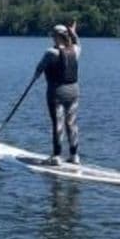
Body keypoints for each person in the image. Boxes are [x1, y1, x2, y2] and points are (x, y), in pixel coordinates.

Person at [33, 21, 81, 165]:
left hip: (57, 93)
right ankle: (75, 156)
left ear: (56, 36)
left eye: (53, 36)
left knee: (58, 123)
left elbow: (39, 68)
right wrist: (73, 32)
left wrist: (36, 75)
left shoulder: (50, 53)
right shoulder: (76, 50)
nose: (52, 38)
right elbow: (77, 42)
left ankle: (56, 156)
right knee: (71, 123)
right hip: (74, 92)